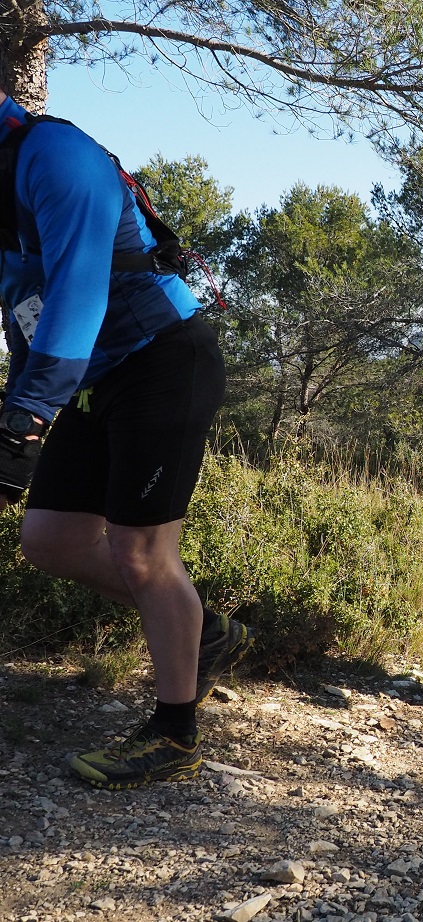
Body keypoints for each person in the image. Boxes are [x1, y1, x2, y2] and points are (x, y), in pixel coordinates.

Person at [0, 95, 254, 789]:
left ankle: (175, 736)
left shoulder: (58, 157)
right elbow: (24, 307)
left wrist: (25, 419)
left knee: (141, 554)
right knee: (50, 538)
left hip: (163, 359)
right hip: (93, 372)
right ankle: (203, 633)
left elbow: (77, 294)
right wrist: (14, 410)